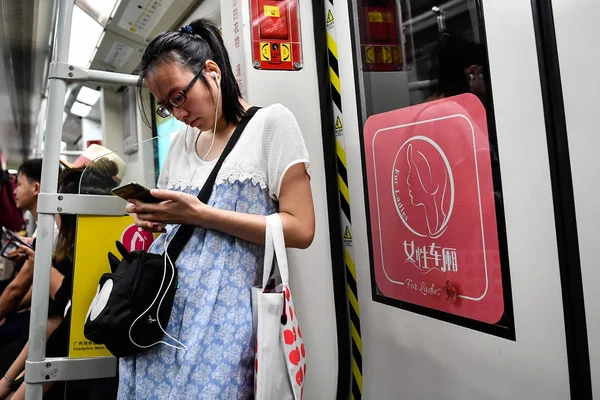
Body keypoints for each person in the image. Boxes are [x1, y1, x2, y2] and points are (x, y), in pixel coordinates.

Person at [118, 18, 315, 399]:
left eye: (179, 97)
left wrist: (198, 214)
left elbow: (302, 228)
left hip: (223, 324)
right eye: (165, 107)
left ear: (211, 72)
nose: (177, 114)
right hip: (162, 314)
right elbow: (184, 226)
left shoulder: (271, 124)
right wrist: (159, 217)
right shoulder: (182, 144)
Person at [0, 158, 122, 400]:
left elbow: (58, 324)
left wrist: (9, 386)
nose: (14, 190)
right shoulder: (78, 253)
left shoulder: (61, 253)